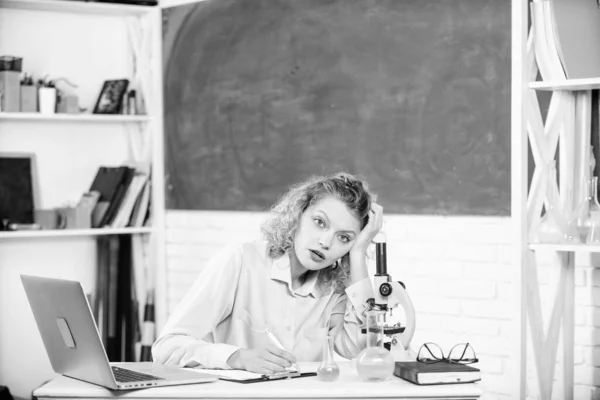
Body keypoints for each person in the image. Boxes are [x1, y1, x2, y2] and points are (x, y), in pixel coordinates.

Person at [152, 172, 382, 374]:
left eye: (344, 238)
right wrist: (236, 357)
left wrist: (358, 254)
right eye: (319, 222)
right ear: (298, 213)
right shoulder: (241, 260)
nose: (325, 242)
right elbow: (166, 348)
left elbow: (359, 349)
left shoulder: (334, 288)